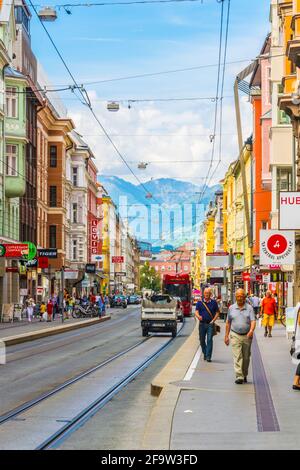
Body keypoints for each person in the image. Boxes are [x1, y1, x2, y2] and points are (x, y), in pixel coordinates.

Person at [224, 288, 256, 384]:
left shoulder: (249, 308)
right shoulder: (231, 308)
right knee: (237, 356)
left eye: (241, 296)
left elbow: (253, 321)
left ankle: (244, 374)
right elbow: (228, 322)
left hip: (247, 335)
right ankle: (239, 376)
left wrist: (251, 330)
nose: (239, 298)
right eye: (238, 296)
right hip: (235, 334)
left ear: (244, 297)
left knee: (246, 357)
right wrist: (226, 336)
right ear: (235, 297)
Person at [195, 288, 220, 362]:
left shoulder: (214, 303)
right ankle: (205, 353)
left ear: (210, 294)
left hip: (210, 324)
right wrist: (198, 316)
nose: (206, 294)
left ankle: (208, 356)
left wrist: (213, 320)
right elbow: (196, 311)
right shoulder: (199, 303)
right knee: (202, 340)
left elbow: (218, 312)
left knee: (209, 340)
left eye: (208, 293)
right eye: (205, 293)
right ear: (203, 294)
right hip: (202, 324)